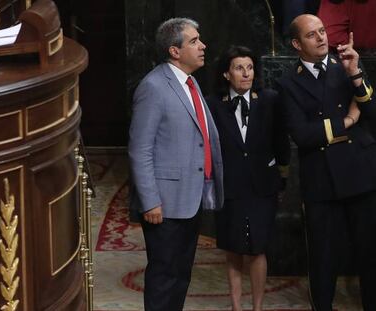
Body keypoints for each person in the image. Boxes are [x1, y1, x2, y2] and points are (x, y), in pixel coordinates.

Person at [277, 14, 376, 311]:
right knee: (323, 257)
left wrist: (355, 74)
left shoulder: (346, 66)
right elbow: (303, 134)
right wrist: (347, 120)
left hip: (361, 173)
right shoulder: (287, 82)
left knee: (370, 254)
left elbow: (371, 114)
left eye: (322, 31)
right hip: (322, 180)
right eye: (312, 34)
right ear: (297, 43)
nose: (321, 38)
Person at [128, 17, 224, 311]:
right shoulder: (154, 87)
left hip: (189, 198)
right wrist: (150, 201)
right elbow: (139, 149)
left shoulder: (190, 82)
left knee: (181, 276)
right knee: (164, 277)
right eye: (194, 41)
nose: (202, 45)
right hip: (164, 205)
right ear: (174, 51)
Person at [206, 45, 291, 311]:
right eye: (239, 68)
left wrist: (282, 175)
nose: (246, 73)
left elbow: (281, 141)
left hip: (262, 185)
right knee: (233, 248)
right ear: (226, 74)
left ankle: (257, 307)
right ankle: (236, 306)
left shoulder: (270, 99)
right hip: (230, 186)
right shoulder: (212, 104)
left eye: (250, 67)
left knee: (257, 248)